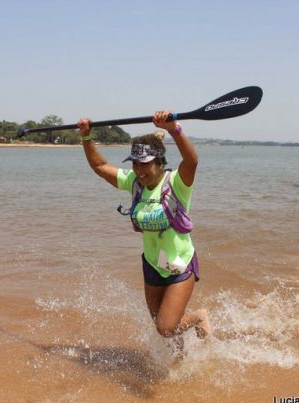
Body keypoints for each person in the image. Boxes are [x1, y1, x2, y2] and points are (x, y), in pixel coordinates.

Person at [77, 111, 210, 348]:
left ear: (159, 162)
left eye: (145, 164)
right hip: (152, 264)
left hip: (180, 263)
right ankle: (180, 362)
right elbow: (99, 166)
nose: (140, 170)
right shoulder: (134, 184)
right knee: (161, 326)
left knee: (166, 327)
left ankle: (199, 316)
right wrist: (86, 137)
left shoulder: (177, 183)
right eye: (136, 164)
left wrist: (174, 129)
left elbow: (192, 161)